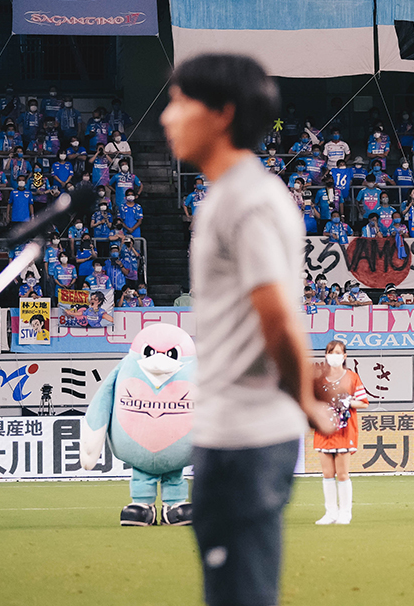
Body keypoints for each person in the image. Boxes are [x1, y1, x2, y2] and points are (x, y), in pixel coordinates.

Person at [159, 54, 336, 606]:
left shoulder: (247, 200)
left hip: (245, 439)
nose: (167, 117)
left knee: (241, 594)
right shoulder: (229, 195)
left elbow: (276, 315)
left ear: (222, 113)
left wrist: (303, 399)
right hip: (232, 434)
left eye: (180, 102)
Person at [312, 340, 368, 525]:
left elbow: (363, 402)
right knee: (327, 473)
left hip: (344, 430)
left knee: (342, 474)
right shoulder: (320, 377)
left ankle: (345, 512)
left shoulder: (351, 377)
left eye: (337, 353)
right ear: (325, 355)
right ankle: (330, 513)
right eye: (330, 352)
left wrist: (346, 402)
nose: (333, 356)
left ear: (345, 356)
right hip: (324, 431)